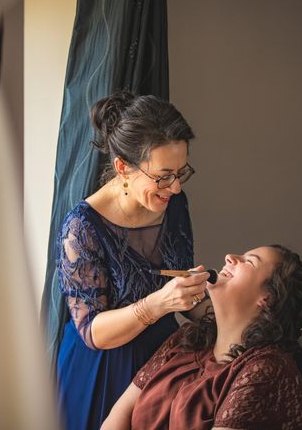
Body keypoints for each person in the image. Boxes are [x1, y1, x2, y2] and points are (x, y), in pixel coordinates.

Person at [55, 93, 210, 430]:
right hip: (102, 369)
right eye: (163, 175)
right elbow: (93, 332)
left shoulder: (174, 205)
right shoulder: (82, 228)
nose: (176, 187)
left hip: (163, 361)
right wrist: (157, 303)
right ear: (123, 167)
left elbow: (181, 293)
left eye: (181, 171)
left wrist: (205, 296)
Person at [102, 245, 302, 430]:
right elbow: (119, 416)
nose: (230, 257)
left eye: (249, 261)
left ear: (268, 298)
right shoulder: (185, 340)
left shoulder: (268, 370)